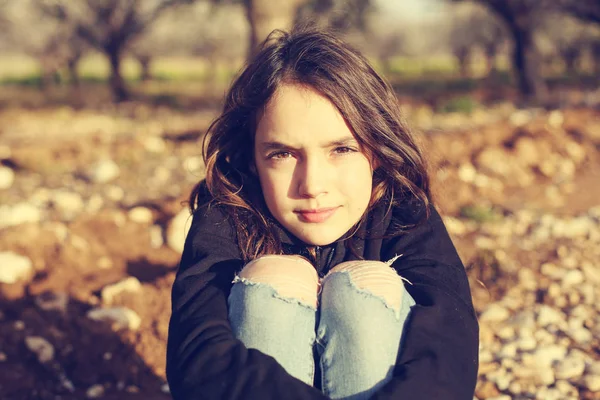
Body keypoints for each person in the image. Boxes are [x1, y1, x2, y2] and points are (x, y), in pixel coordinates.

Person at [166, 27, 478, 400]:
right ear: (252, 160)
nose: (312, 185)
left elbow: (449, 351)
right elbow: (197, 356)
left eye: (341, 149)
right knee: (275, 278)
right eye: (283, 153)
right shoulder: (226, 216)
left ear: (375, 149)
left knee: (359, 290)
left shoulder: (404, 212)